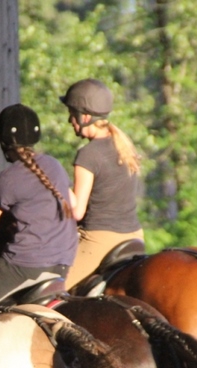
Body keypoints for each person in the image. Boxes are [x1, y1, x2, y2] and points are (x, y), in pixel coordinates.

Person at [0, 103, 77, 307]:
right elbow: (73, 203)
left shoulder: (8, 178)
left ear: (3, 141)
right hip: (63, 264)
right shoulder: (55, 165)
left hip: (24, 266)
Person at [59, 78, 144, 290]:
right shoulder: (123, 144)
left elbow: (77, 212)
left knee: (53, 289)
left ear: (85, 117)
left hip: (100, 240)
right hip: (134, 237)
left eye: (72, 113)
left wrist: (58, 184)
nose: (70, 120)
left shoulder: (88, 154)